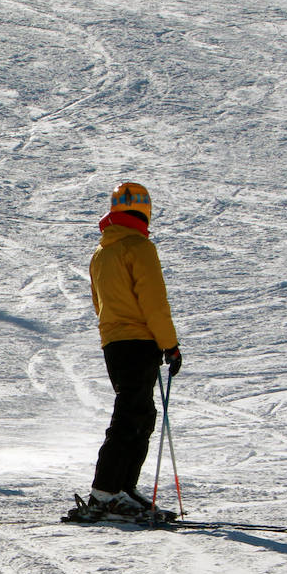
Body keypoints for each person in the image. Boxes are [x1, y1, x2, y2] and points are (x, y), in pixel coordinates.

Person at [69, 182, 182, 522]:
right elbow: (153, 301)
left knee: (140, 414)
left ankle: (122, 489)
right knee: (132, 416)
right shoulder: (139, 247)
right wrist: (170, 345)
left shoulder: (101, 254)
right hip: (139, 341)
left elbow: (98, 302)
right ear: (145, 211)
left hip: (114, 343)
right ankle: (106, 492)